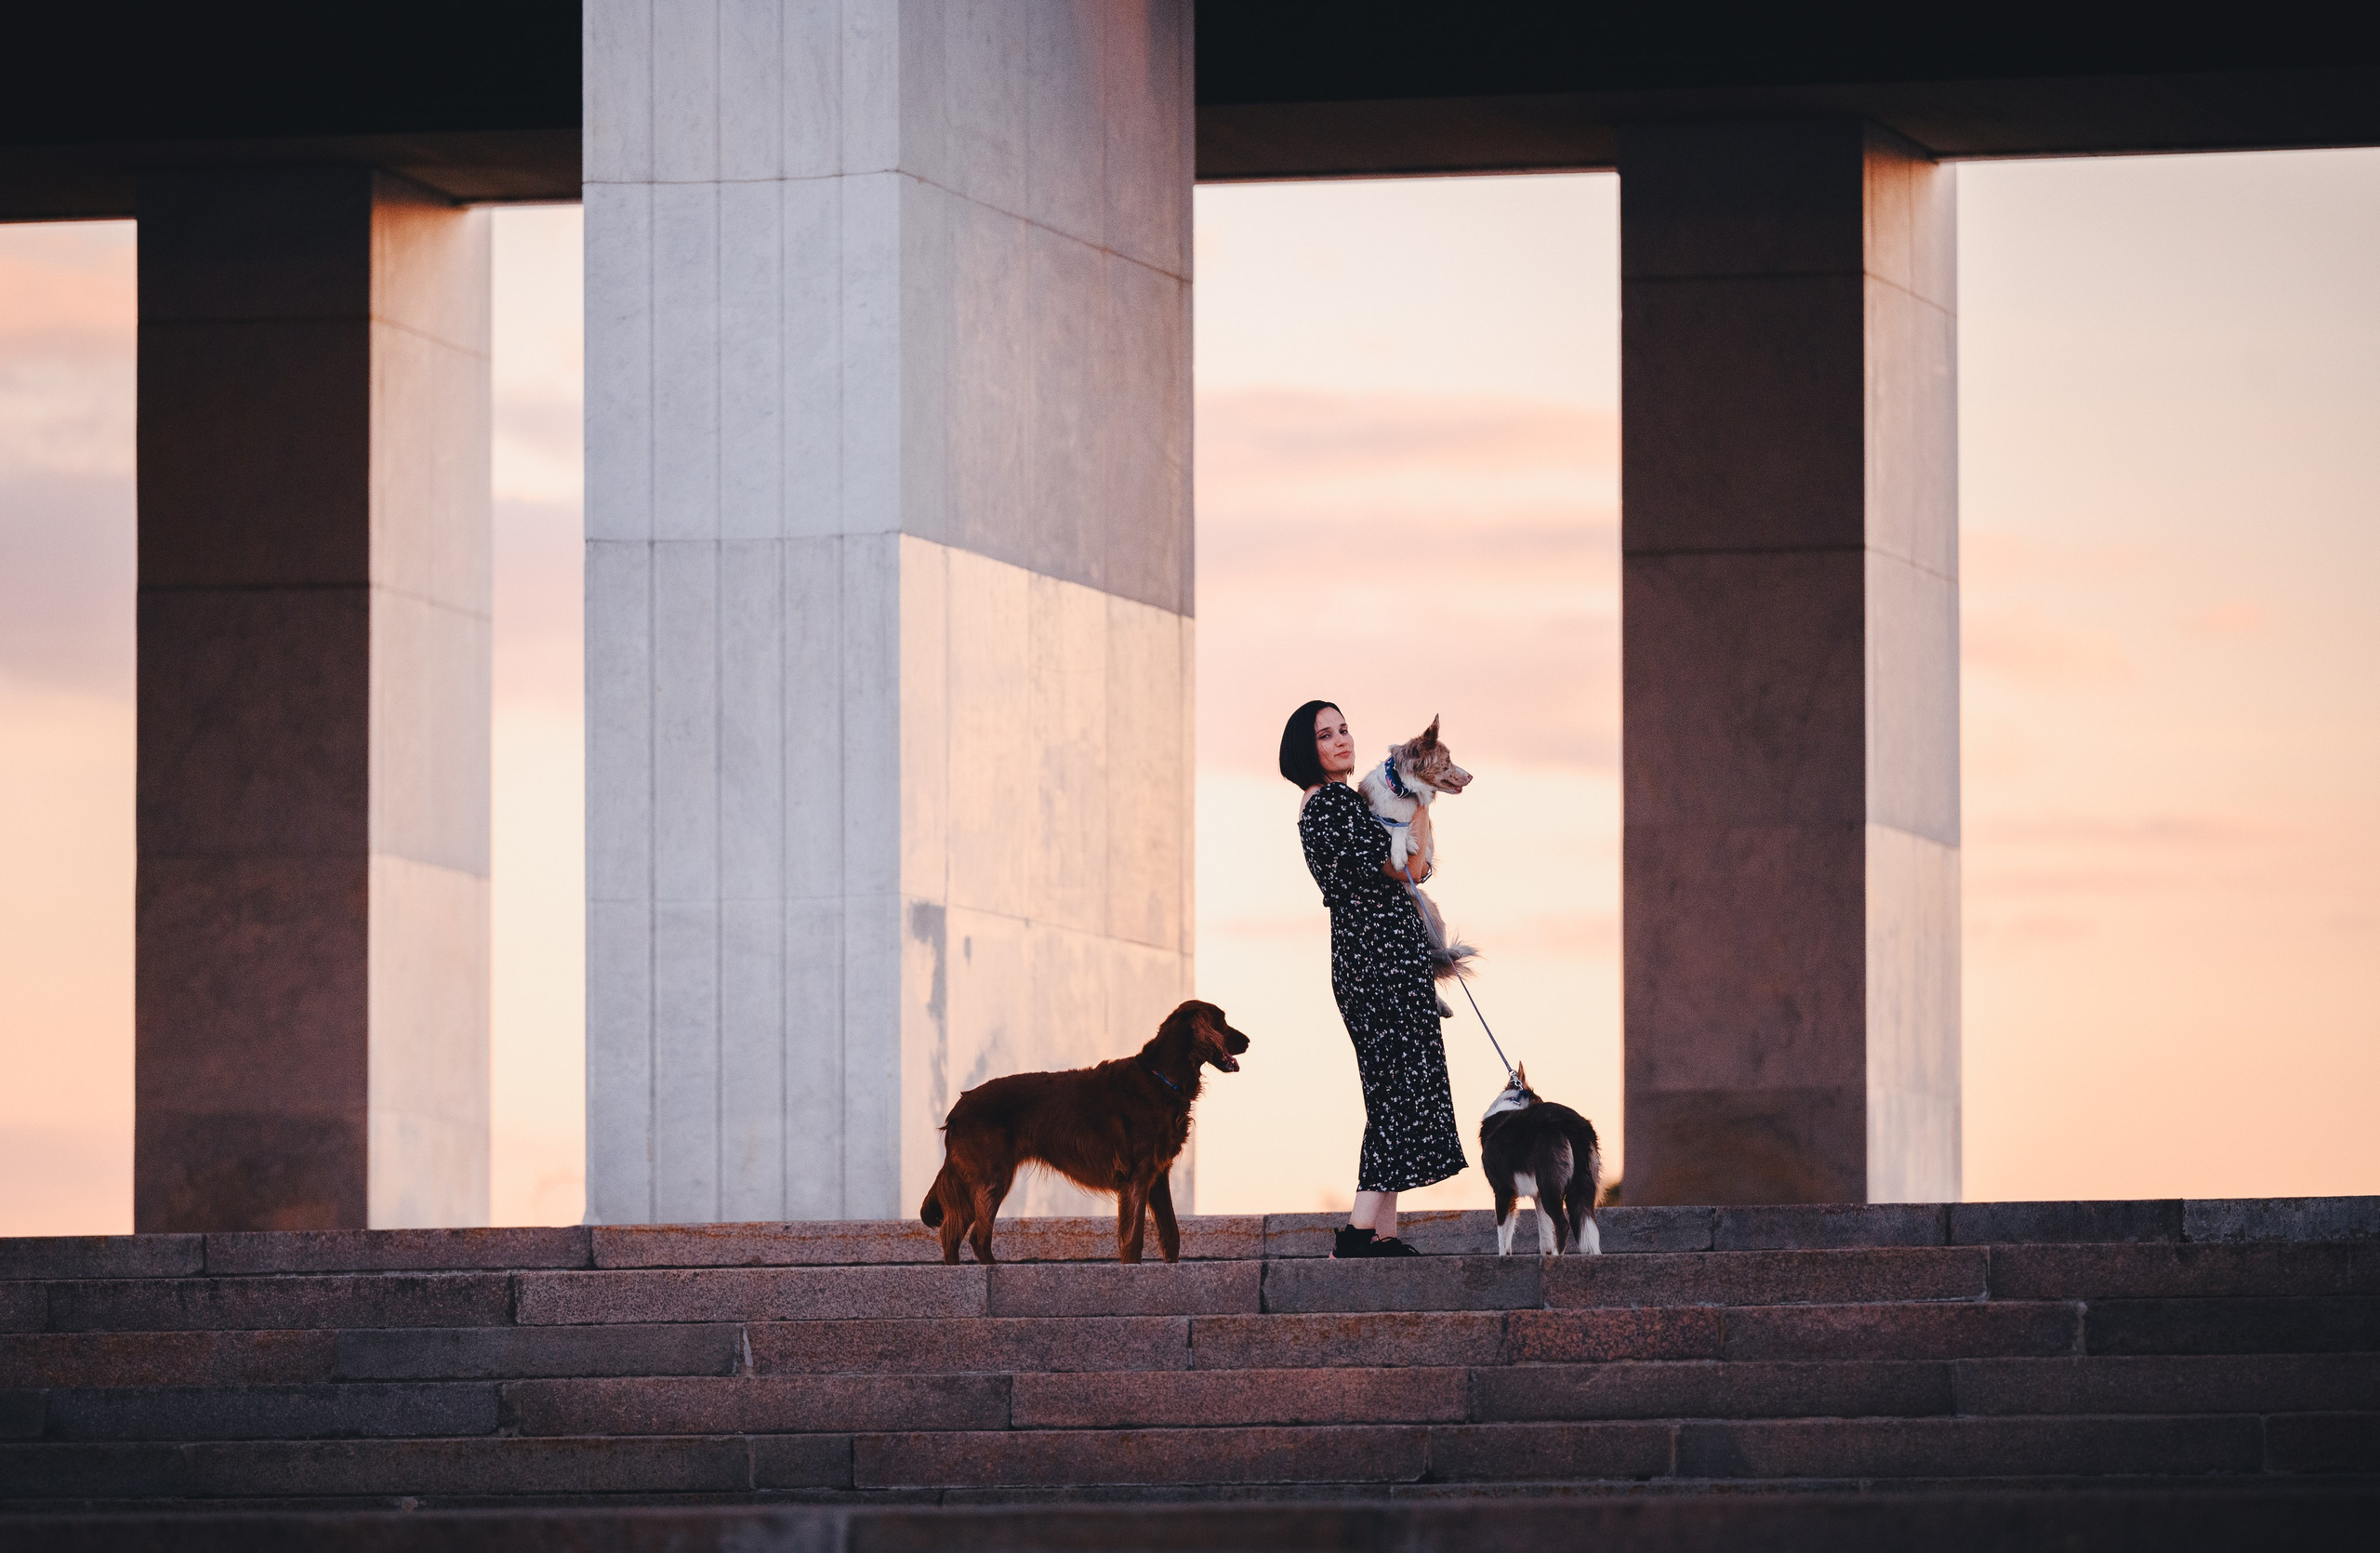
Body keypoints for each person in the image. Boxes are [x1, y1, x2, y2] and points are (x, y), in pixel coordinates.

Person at [1281, 699, 1469, 1257]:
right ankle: (1360, 1230)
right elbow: (1398, 868)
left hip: (1386, 959)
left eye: (1344, 729)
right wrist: (1418, 794)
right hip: (1374, 962)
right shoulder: (1329, 806)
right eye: (1325, 735)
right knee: (1395, 1089)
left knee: (1402, 1085)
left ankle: (1382, 1231)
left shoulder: (1344, 800)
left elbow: (1414, 867)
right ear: (1305, 749)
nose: (1342, 741)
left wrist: (1416, 798)